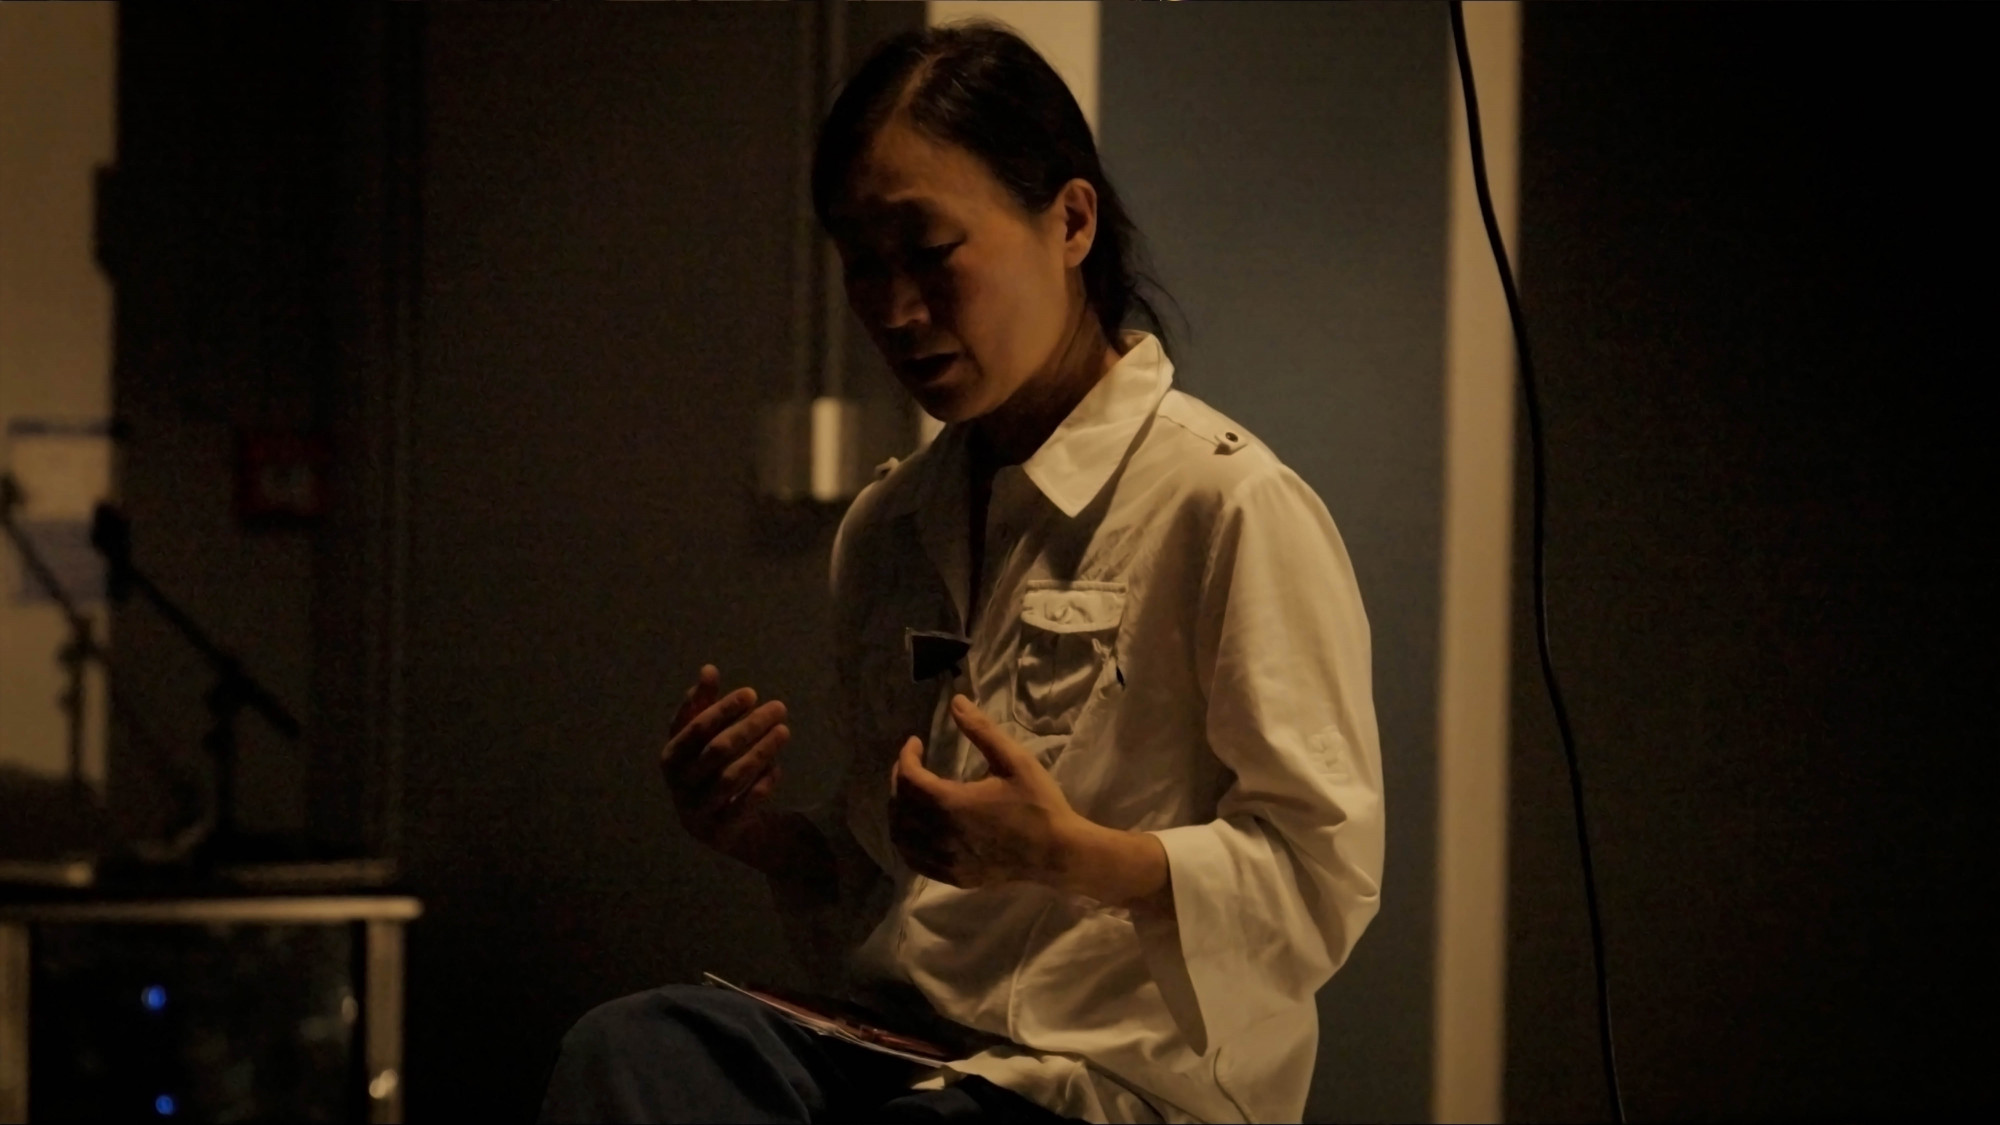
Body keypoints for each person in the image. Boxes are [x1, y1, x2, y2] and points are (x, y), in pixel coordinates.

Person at [540, 22, 1383, 1125]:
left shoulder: (1225, 504)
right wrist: (760, 838)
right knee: (632, 1051)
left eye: (929, 251)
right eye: (860, 262)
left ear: (1069, 220)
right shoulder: (890, 523)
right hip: (902, 1046)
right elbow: (878, 886)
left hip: (1109, 1087)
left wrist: (1080, 859)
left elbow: (1318, 884)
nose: (892, 309)